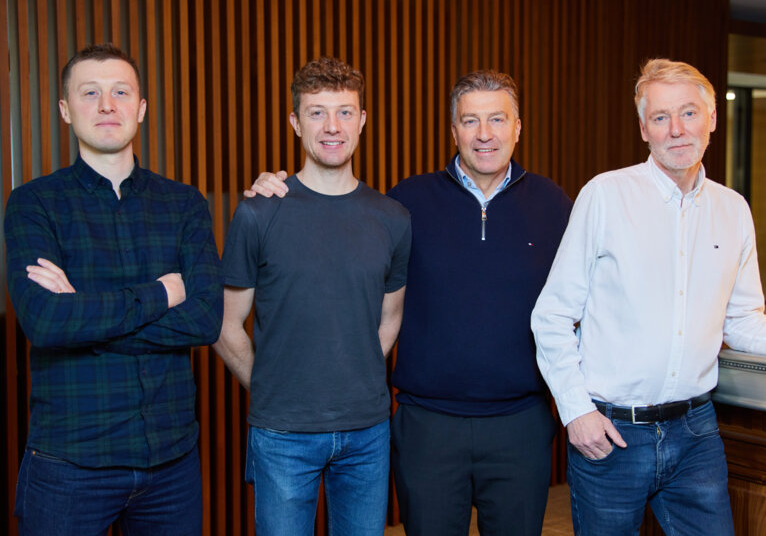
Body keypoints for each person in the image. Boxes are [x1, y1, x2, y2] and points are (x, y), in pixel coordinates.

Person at [531, 58, 766, 536]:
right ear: (644, 129)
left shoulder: (733, 209)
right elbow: (552, 315)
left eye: (689, 113)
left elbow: (741, 320)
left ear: (712, 118)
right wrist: (577, 411)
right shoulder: (605, 196)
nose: (676, 130)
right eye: (660, 118)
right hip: (612, 434)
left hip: (696, 432)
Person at [248, 69, 573, 536]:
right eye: (470, 121)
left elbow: (578, 309)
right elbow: (339, 249)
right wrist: (277, 190)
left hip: (521, 425)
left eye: (497, 120)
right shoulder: (406, 203)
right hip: (427, 429)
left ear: (518, 127)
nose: (484, 134)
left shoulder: (554, 204)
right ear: (453, 129)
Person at [5, 43, 223, 536]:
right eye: (90, 93)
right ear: (65, 110)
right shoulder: (33, 204)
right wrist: (160, 295)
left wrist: (81, 313)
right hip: (70, 464)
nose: (107, 105)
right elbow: (45, 321)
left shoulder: (185, 204)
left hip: (172, 463)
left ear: (141, 109)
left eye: (121, 92)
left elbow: (207, 320)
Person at [213, 57, 411, 536]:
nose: (332, 126)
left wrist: (347, 373)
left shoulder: (392, 218)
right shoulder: (259, 212)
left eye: (345, 112)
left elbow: (390, 317)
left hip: (367, 430)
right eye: (317, 112)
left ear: (362, 120)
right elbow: (223, 326)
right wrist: (273, 387)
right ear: (295, 122)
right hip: (282, 434)